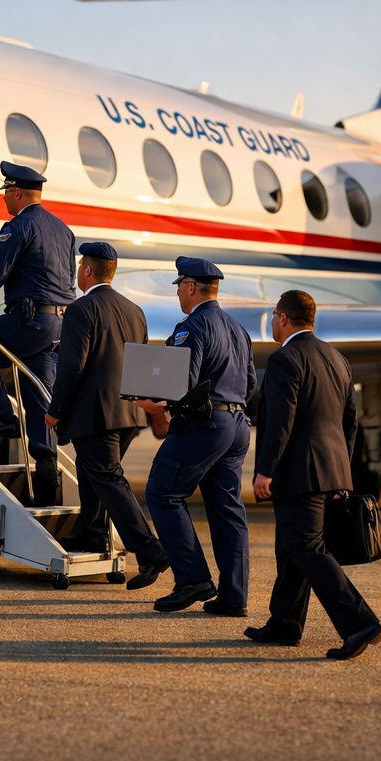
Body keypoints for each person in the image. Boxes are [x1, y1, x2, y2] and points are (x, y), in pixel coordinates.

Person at [247, 290, 381, 660]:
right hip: (329, 470)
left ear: (282, 318)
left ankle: (360, 623)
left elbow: (280, 421)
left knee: (306, 547)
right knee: (291, 545)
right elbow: (349, 421)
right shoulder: (337, 358)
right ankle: (285, 623)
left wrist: (265, 471)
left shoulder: (285, 359)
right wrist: (342, 472)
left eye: (274, 317)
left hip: (299, 472)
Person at [45, 242, 170, 587]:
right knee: (93, 475)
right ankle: (93, 535)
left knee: (108, 479)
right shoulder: (134, 310)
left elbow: (72, 366)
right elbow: (140, 361)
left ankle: (151, 551)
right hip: (128, 413)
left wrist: (55, 411)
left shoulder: (81, 309)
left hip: (96, 414)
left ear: (86, 270)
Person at [136, 257, 255, 615]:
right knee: (227, 509)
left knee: (163, 493)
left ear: (190, 286)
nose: (177, 294)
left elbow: (181, 382)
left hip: (206, 425)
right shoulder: (238, 329)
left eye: (179, 287)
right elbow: (250, 382)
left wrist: (154, 403)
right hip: (237, 424)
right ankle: (234, 596)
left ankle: (193, 580)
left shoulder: (192, 327)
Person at [0, 162, 76, 507]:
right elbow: (68, 278)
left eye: (6, 192)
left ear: (18, 193)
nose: (4, 198)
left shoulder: (18, 227)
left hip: (28, 320)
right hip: (58, 324)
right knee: (38, 393)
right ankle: (46, 468)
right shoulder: (63, 229)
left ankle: (5, 418)